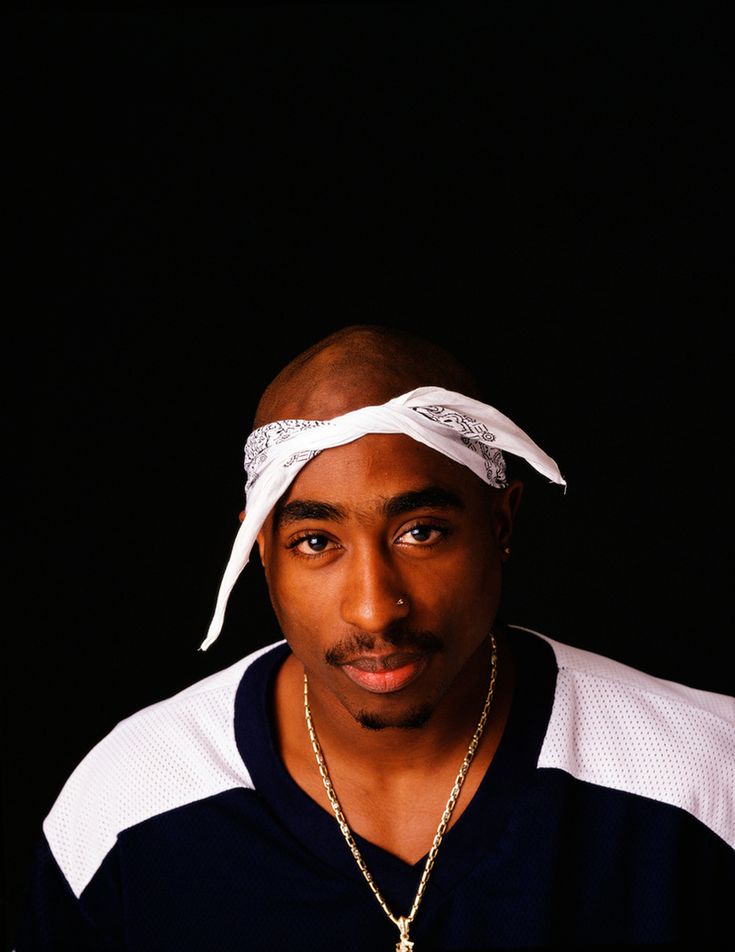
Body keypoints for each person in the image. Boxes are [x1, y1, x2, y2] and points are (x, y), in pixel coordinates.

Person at [15, 324, 735, 950]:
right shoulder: (128, 799)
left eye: (420, 532)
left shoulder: (704, 773)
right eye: (315, 540)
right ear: (261, 549)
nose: (373, 610)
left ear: (501, 523)